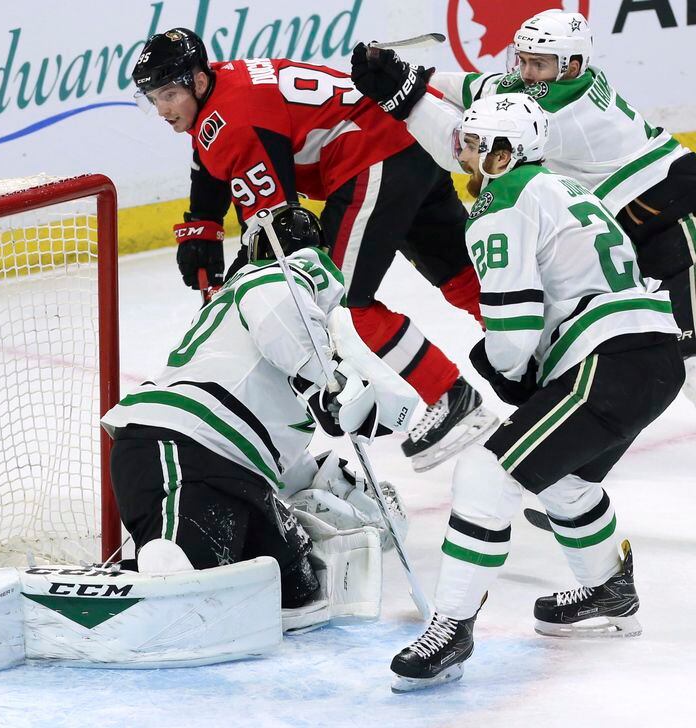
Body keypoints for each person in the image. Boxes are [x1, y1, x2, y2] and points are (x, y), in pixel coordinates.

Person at [374, 93, 683, 692]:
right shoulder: (565, 188)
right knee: (563, 478)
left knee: (487, 474)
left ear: (505, 151)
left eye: (472, 143)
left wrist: (503, 365)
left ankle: (451, 628)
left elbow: (513, 324)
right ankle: (607, 590)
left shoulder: (503, 199)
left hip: (609, 358)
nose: (461, 153)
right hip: (651, 353)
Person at [131, 27, 498, 472]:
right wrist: (201, 229)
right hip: (407, 141)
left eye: (169, 94)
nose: (162, 109)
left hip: (370, 156)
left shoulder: (234, 119)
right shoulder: (223, 88)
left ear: (198, 81)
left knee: (337, 302)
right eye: (153, 98)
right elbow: (207, 159)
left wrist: (248, 285)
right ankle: (548, 362)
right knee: (461, 274)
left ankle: (450, 396)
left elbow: (279, 231)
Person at [351, 9, 696, 403]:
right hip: (652, 212)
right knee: (671, 349)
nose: (528, 72)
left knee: (686, 355)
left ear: (574, 65)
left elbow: (466, 150)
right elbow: (484, 89)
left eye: (539, 63)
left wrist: (407, 97)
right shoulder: (561, 85)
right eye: (524, 60)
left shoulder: (560, 117)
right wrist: (415, 77)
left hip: (677, 218)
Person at [100, 206, 417, 625]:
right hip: (179, 445)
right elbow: (277, 316)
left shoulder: (307, 332)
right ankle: (132, 580)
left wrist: (335, 483)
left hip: (239, 474)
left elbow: (286, 458)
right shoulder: (270, 280)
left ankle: (168, 571)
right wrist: (328, 382)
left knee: (298, 592)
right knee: (183, 581)